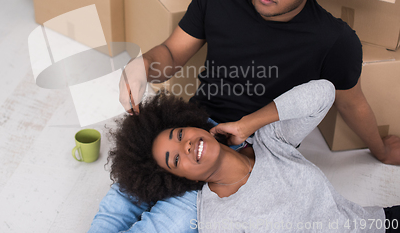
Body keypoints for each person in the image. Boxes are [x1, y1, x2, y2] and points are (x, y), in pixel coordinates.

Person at [89, 0, 400, 232]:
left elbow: (350, 103)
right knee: (120, 201)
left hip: (257, 149)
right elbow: (171, 53)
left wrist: (381, 150)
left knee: (172, 223)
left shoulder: (335, 40)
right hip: (191, 126)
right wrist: (141, 65)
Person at [111, 80, 400, 232]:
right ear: (178, 179)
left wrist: (247, 124)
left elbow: (323, 91)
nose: (185, 146)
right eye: (175, 160)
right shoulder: (217, 219)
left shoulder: (270, 141)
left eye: (179, 135)